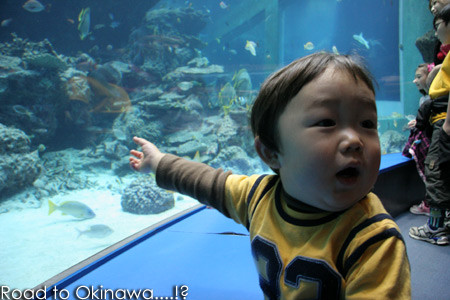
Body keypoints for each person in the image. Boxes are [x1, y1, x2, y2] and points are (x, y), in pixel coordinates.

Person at [130, 53, 411, 299]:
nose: (354, 140)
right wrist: (159, 162)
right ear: (271, 152)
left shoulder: (373, 242)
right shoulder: (258, 197)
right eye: (327, 122)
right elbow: (205, 181)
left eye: (367, 123)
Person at [409, 6, 450, 245]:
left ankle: (436, 229)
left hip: (443, 122)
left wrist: (446, 126)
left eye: (438, 26)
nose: (435, 33)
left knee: (435, 172)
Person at [403, 63, 432, 215]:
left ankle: (431, 207)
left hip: (433, 143)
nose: (414, 81)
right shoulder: (424, 100)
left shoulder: (434, 99)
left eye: (419, 77)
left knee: (433, 174)